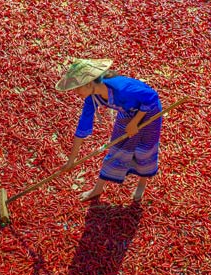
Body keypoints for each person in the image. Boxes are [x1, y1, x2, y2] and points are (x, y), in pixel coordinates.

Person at [56, 58, 162, 202]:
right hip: (127, 112)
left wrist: (135, 122)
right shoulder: (91, 98)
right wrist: (71, 160)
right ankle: (98, 189)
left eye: (77, 87)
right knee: (117, 149)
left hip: (149, 112)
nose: (75, 92)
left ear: (88, 83)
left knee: (145, 150)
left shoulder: (121, 88)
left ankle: (141, 184)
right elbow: (82, 126)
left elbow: (151, 97)